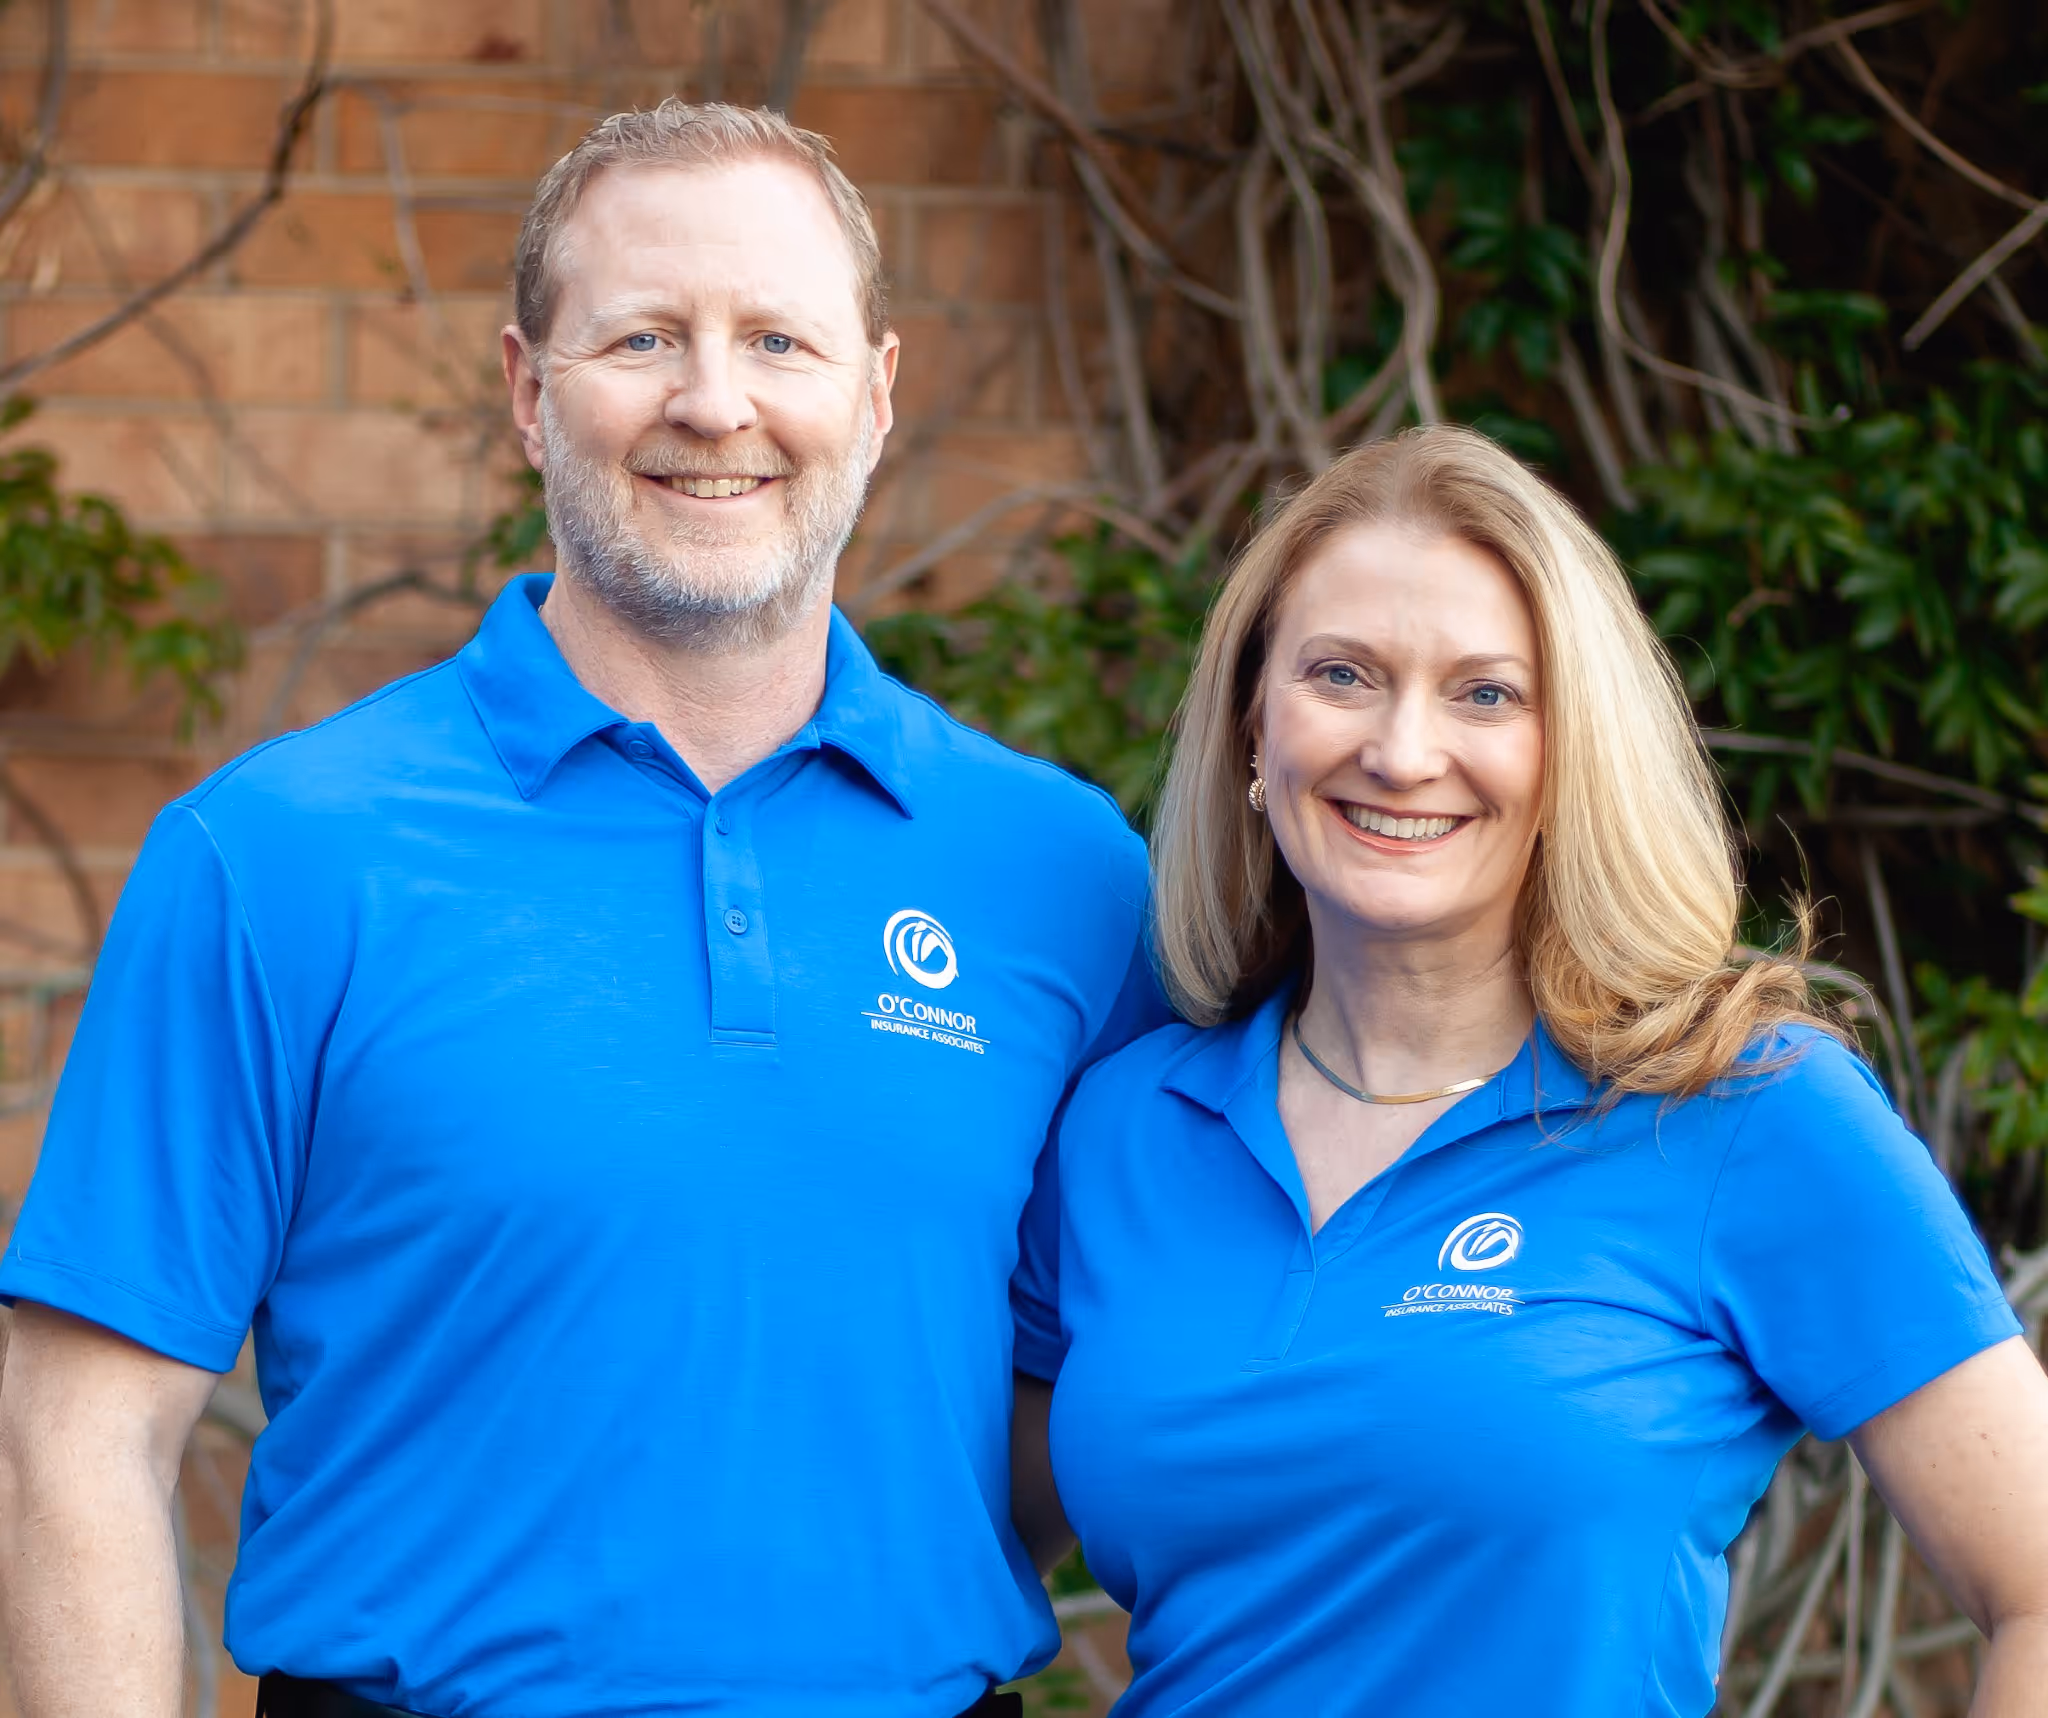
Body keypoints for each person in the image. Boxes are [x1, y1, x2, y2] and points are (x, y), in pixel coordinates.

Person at [0, 100, 1160, 1718]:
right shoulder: (275, 855)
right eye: (641, 336)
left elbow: (1122, 1383)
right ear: (529, 392)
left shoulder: (1068, 878)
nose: (714, 400)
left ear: (878, 396)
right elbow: (75, 1427)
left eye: (778, 339)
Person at [1012, 425, 2048, 1715]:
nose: (1401, 750)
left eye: (1486, 694)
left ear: (1570, 756)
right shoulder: (1123, 1125)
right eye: (1342, 675)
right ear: (1250, 735)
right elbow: (949, 1545)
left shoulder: (1740, 1112)